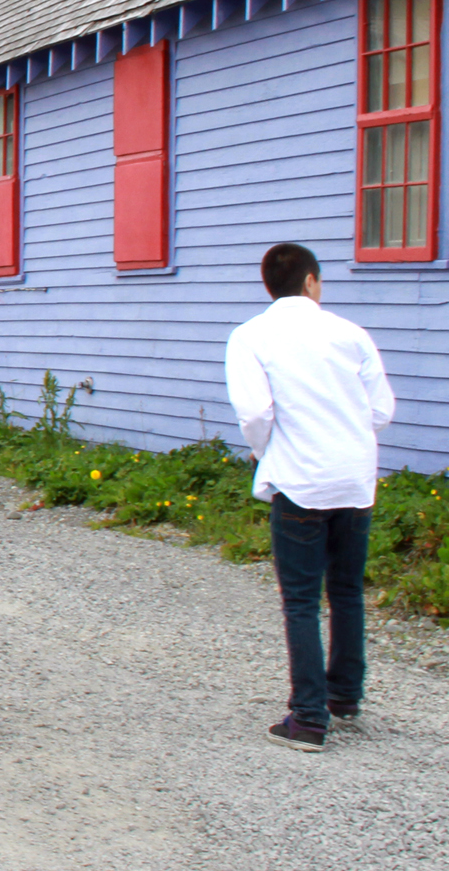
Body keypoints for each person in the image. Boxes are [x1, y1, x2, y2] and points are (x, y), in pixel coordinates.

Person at [225, 242, 395, 753]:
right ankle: (344, 696)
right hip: (353, 479)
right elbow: (381, 410)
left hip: (299, 479)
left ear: (269, 285)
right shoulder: (351, 334)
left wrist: (265, 452)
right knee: (346, 591)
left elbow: (255, 414)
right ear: (312, 282)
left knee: (300, 600)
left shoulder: (251, 336)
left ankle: (307, 719)